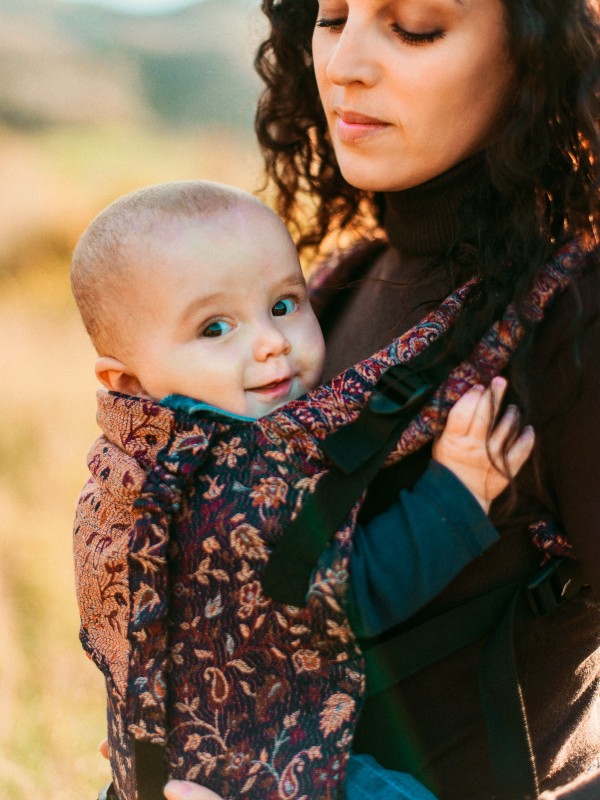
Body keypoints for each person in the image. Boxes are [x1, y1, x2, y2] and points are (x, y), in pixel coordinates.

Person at [166, 0, 600, 798]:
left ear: (537, 57)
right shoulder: (323, 294)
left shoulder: (575, 320)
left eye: (414, 27)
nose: (344, 63)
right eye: (332, 18)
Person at [71, 180, 534, 800]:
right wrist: (457, 491)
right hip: (269, 778)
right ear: (128, 378)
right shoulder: (232, 479)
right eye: (215, 328)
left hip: (155, 771)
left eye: (284, 304)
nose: (270, 341)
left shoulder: (116, 473)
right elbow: (349, 595)